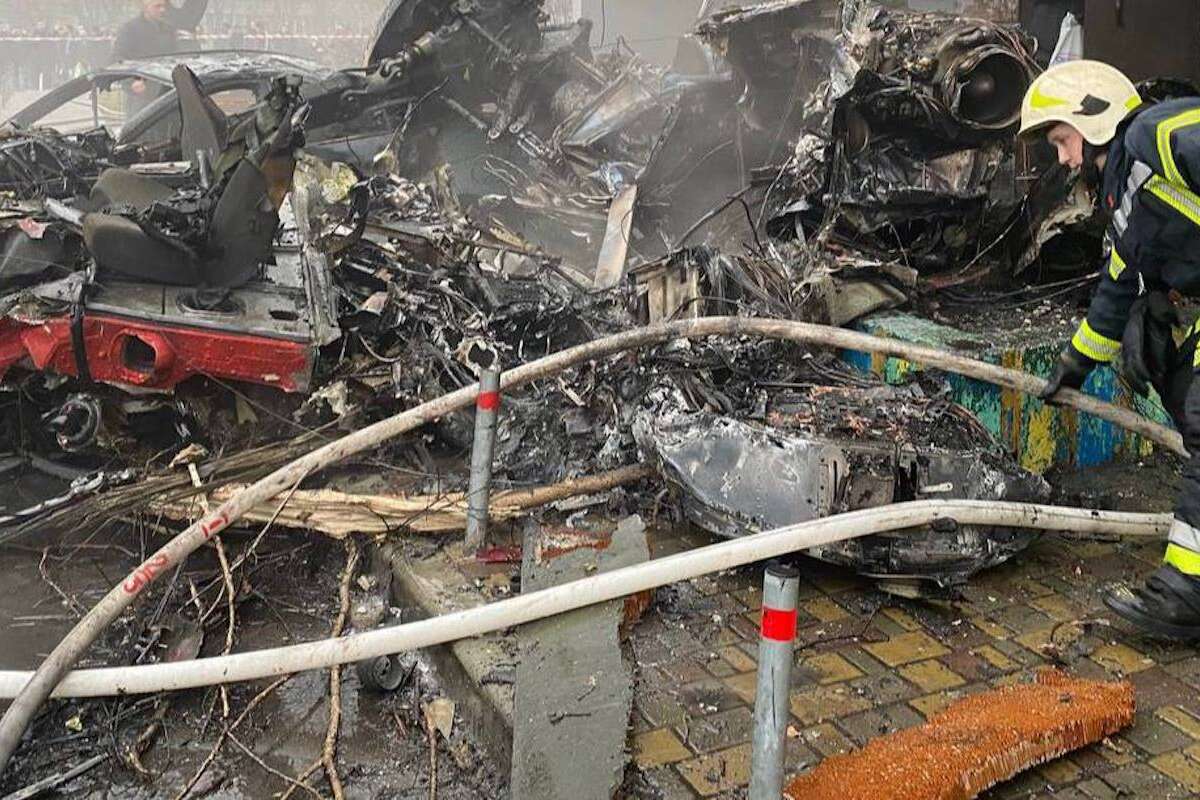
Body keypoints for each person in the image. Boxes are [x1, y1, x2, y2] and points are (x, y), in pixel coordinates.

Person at [1021, 60, 1200, 640]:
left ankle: (1187, 591)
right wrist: (1075, 364)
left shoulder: (1156, 134)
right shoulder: (1126, 197)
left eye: (1061, 140)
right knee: (1184, 394)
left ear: (1093, 117)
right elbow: (1117, 285)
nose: (1063, 159)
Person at [112, 0, 210, 116]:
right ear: (145, 7)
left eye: (163, 6)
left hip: (165, 93)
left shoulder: (168, 29)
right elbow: (118, 58)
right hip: (140, 96)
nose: (162, 10)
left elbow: (174, 57)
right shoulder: (129, 29)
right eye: (157, 6)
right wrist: (131, 82)